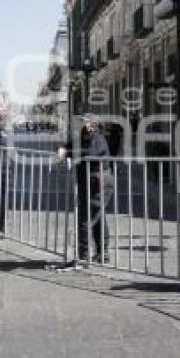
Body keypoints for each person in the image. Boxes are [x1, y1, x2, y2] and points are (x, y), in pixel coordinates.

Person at [59, 113, 110, 264]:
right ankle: (102, 254)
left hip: (98, 181)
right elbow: (72, 145)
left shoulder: (98, 138)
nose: (83, 125)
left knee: (86, 218)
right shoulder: (83, 136)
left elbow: (92, 153)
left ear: (93, 125)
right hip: (89, 181)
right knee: (97, 217)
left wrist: (67, 153)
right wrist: (63, 148)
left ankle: (83, 256)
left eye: (86, 123)